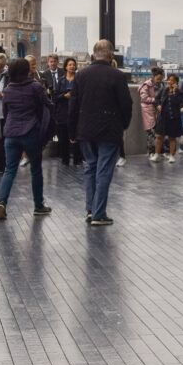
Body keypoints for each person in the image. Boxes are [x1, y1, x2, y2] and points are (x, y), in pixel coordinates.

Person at [68, 39, 132, 226]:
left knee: (90, 169)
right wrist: (123, 125)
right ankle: (99, 213)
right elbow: (126, 105)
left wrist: (72, 131)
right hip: (109, 130)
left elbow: (73, 106)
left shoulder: (81, 75)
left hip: (85, 130)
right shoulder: (117, 76)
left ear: (93, 54)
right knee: (104, 171)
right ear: (111, 55)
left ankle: (90, 210)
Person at [0, 58, 52, 220]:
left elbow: (6, 112)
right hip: (30, 132)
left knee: (9, 169)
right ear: (27, 70)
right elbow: (46, 105)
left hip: (11, 134)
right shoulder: (35, 87)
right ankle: (38, 205)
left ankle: (2, 202)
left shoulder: (8, 89)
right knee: (36, 169)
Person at [52, 57, 81, 165]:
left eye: (73, 64)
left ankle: (77, 159)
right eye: (70, 65)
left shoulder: (78, 79)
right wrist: (64, 95)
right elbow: (55, 97)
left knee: (76, 136)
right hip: (63, 112)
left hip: (75, 112)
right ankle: (65, 159)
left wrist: (73, 96)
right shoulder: (60, 80)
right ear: (66, 66)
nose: (72, 66)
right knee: (63, 137)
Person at [154, 74, 183, 163]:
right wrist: (158, 105)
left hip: (173, 117)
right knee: (159, 136)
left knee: (172, 137)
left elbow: (179, 102)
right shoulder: (164, 90)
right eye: (169, 80)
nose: (170, 82)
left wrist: (175, 92)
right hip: (163, 117)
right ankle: (156, 154)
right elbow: (156, 99)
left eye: (172, 80)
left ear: (176, 82)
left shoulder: (179, 92)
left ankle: (172, 155)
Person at [139, 67, 165, 161]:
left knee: (159, 132)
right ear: (153, 77)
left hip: (158, 110)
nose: (159, 80)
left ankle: (159, 151)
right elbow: (144, 98)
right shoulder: (146, 85)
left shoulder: (162, 84)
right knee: (151, 131)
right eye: (158, 79)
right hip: (148, 110)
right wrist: (156, 100)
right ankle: (151, 152)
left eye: (161, 79)